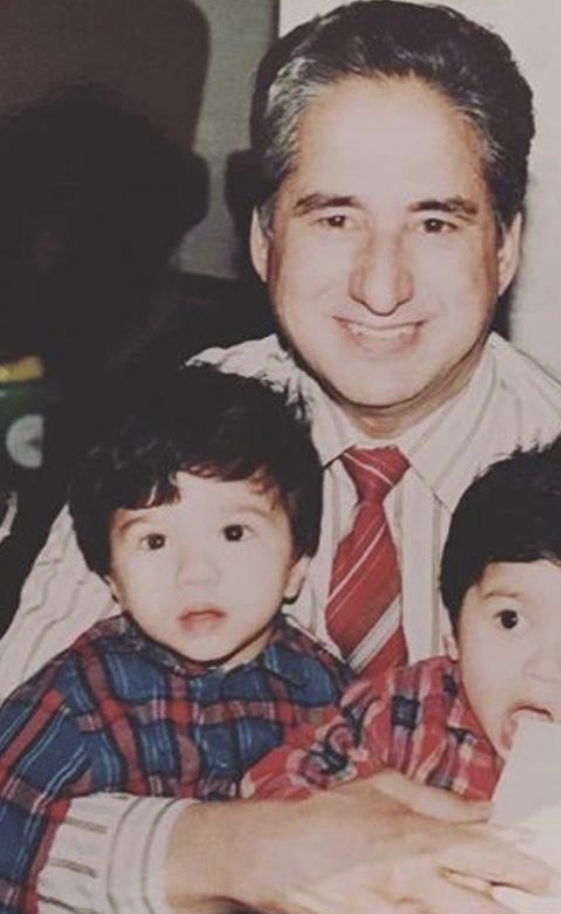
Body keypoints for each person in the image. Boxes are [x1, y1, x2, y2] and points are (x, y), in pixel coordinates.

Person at [0, 0, 561, 914]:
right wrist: (240, 851)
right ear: (263, 238)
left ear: (505, 246)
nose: (381, 286)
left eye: (435, 223)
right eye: (334, 218)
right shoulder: (165, 445)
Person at [245, 428, 561, 914]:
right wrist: (345, 829)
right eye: (510, 620)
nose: (544, 668)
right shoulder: (396, 712)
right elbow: (263, 795)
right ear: (453, 630)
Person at [0, 365, 355, 914]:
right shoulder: (78, 699)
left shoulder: (333, 695)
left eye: (234, 532)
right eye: (155, 540)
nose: (195, 572)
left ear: (296, 566)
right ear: (112, 581)